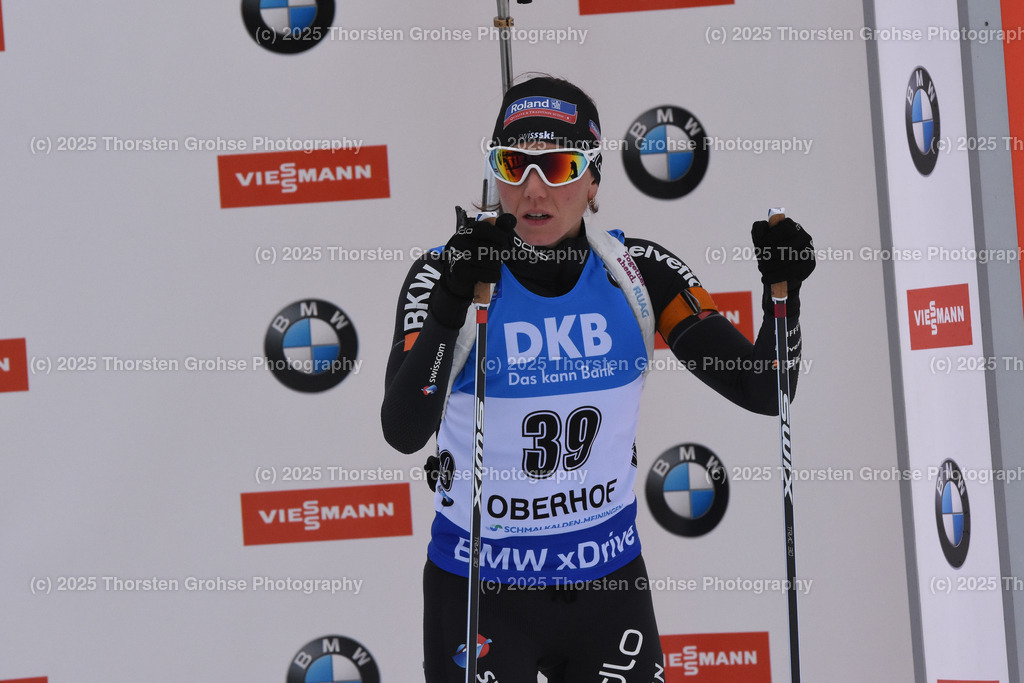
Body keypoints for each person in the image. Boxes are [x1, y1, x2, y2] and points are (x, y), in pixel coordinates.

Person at [381, 75, 815, 682]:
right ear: (495, 174)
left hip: (607, 587)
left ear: (592, 181)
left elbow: (763, 389)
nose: (534, 190)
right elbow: (404, 430)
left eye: (559, 167)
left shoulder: (639, 273)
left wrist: (783, 296)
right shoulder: (443, 274)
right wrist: (454, 300)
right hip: (479, 588)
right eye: (514, 165)